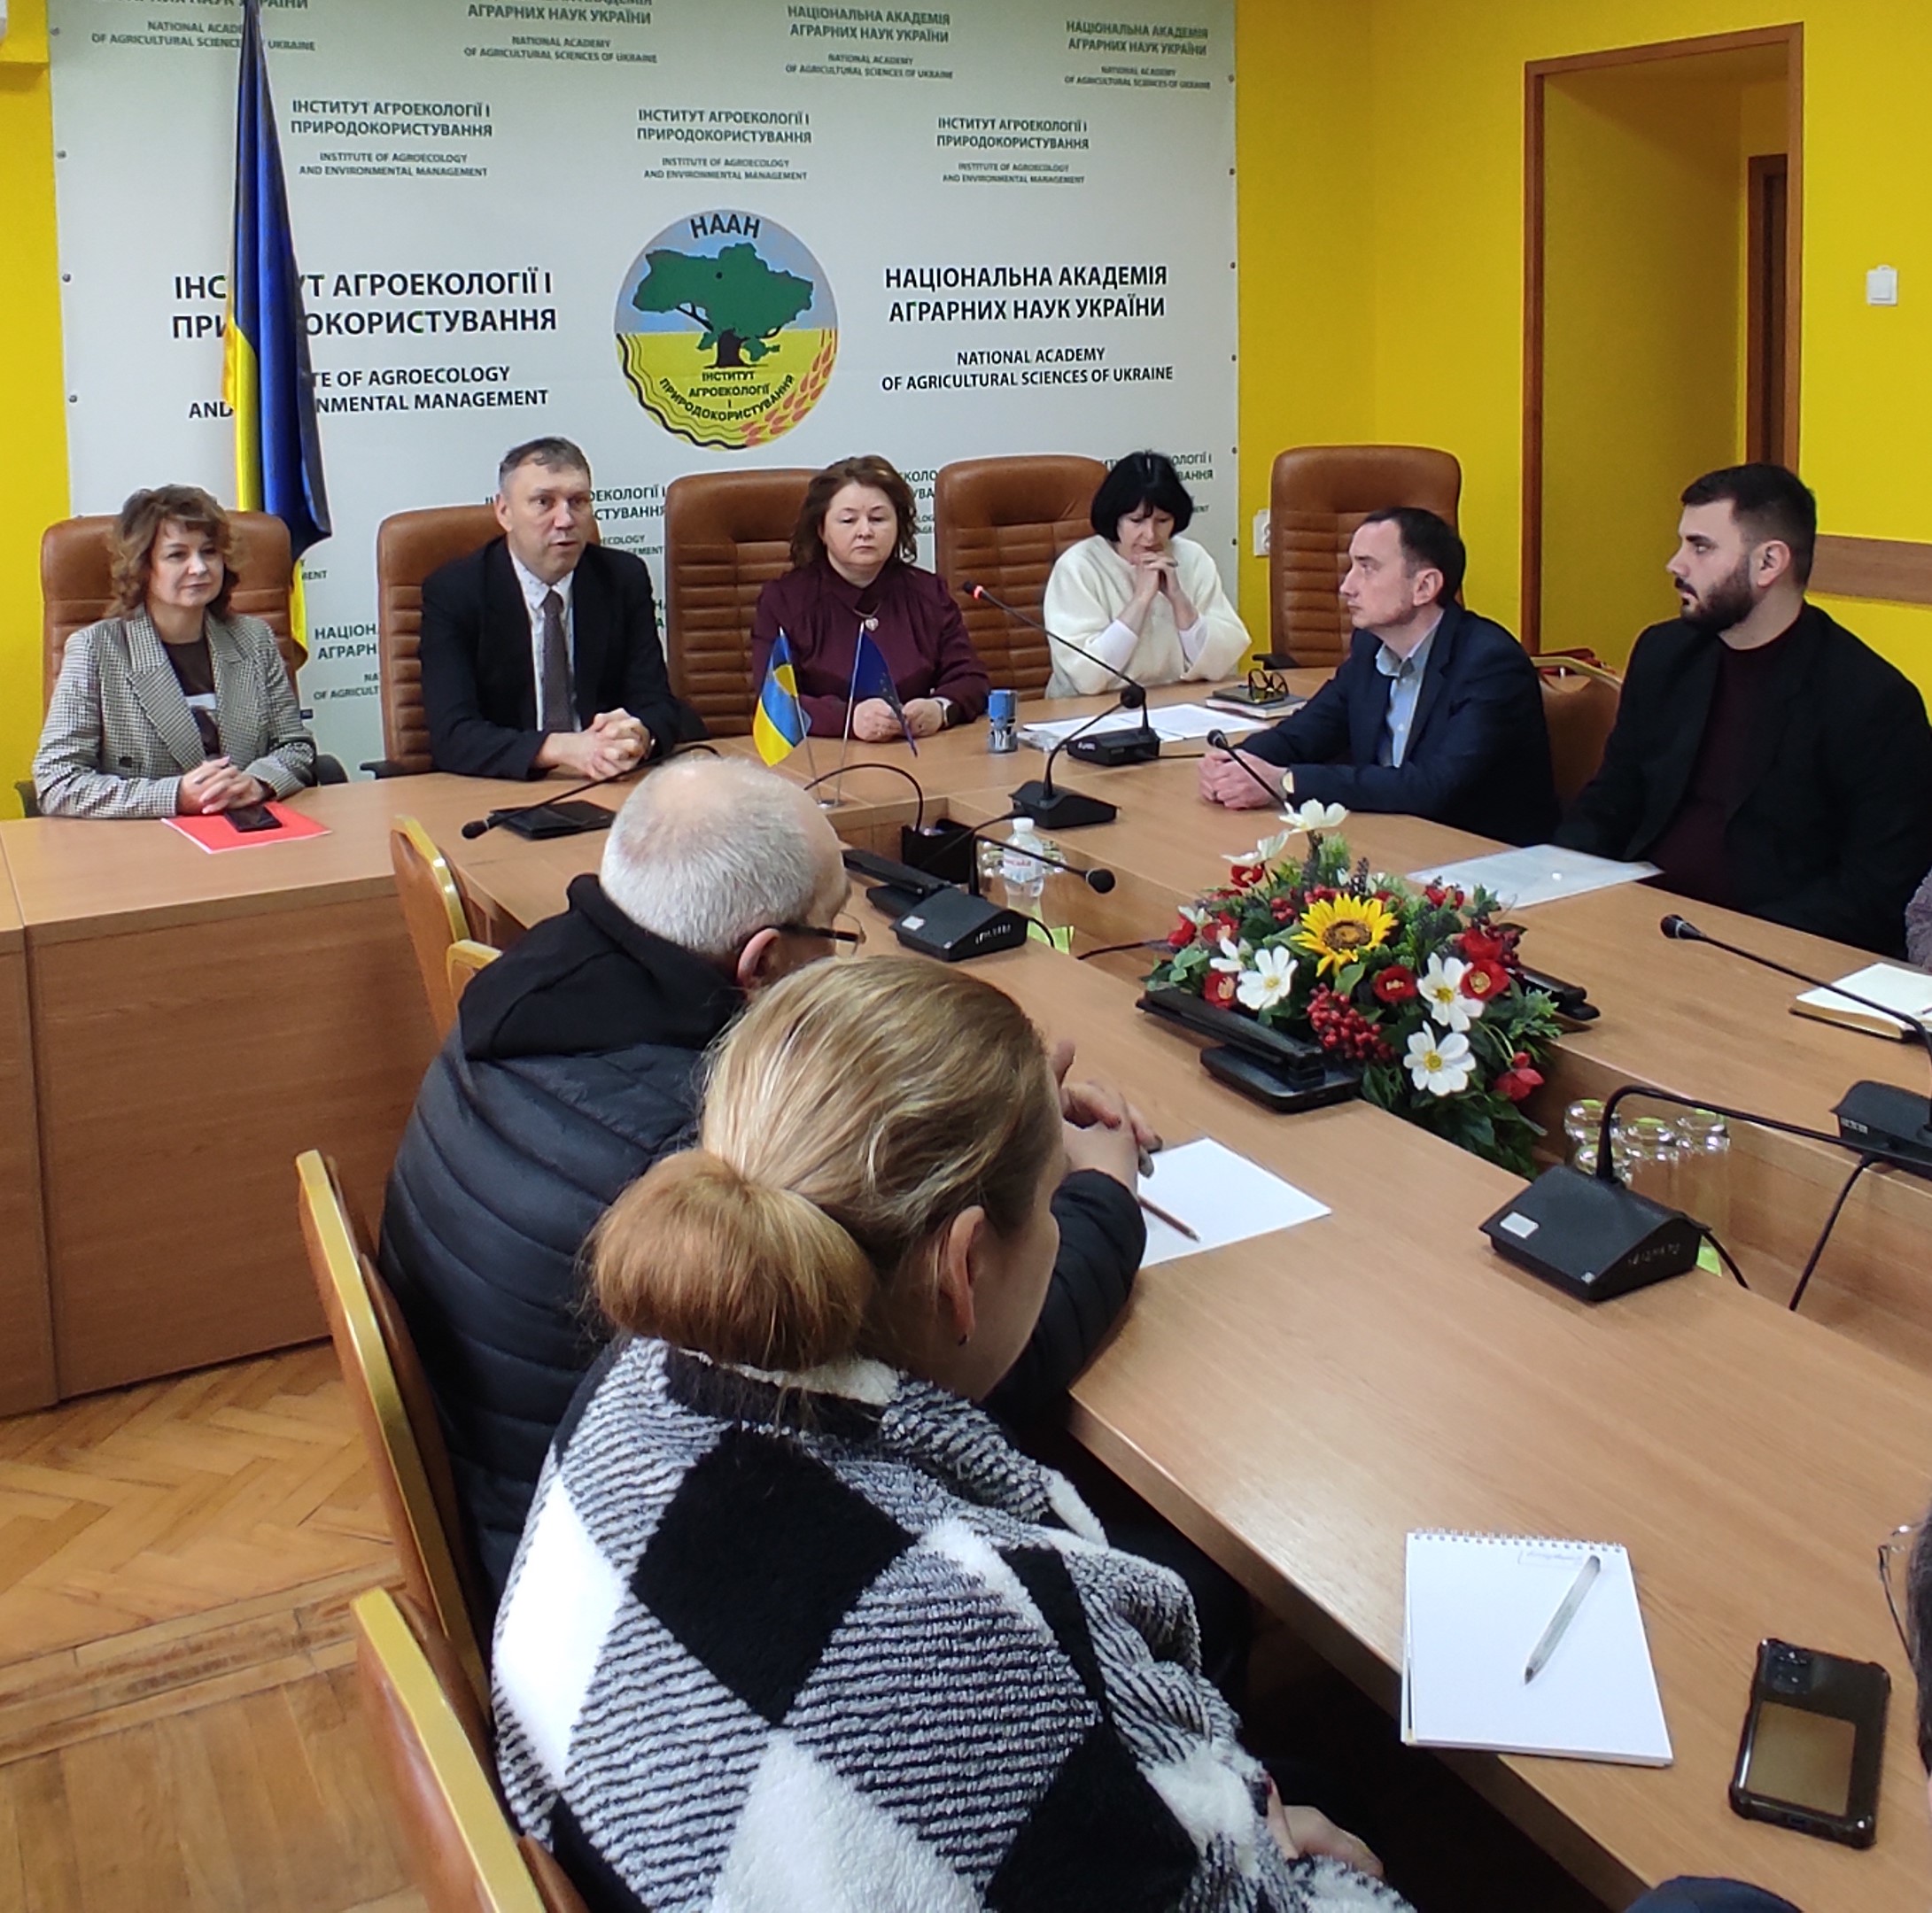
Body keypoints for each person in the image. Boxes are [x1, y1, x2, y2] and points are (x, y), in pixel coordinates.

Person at [493, 956, 1402, 1913]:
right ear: (963, 1269)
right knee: (1343, 1820)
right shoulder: (997, 1648)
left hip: (645, 1838)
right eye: (1050, 1205)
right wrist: (1267, 1852)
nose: (1057, 1228)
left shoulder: (636, 1372)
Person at [377, 755, 1146, 1608]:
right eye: (836, 930)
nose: (845, 953)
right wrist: (1097, 1195)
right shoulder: (702, 1160)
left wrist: (998, 1118)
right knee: (1170, 1559)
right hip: (631, 1577)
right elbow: (948, 1368)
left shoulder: (527, 994)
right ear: (765, 962)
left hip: (539, 1496)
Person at [1556, 464, 1932, 956]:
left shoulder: (1870, 699)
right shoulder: (1665, 654)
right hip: (1638, 916)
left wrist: (1730, 942)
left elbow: (1874, 891)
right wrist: (1552, 878)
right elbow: (1612, 797)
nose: (1675, 564)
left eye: (1700, 547)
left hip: (1771, 950)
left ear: (1769, 563)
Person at [1199, 508, 1557, 845]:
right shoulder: (1371, 647)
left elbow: (1433, 786)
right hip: (1392, 839)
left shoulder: (1490, 664)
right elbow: (1305, 733)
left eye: (1367, 568)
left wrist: (1285, 781)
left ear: (1424, 587)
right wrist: (1238, 762)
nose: (1346, 587)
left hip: (1479, 854)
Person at [418, 437, 699, 779]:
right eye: (544, 502)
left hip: (606, 781)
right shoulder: (456, 590)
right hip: (502, 785)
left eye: (578, 501)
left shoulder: (621, 578)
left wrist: (637, 736)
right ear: (504, 512)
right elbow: (453, 735)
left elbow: (657, 704)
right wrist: (565, 748)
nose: (565, 520)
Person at [33, 485, 315, 819]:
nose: (199, 568)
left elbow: (295, 746)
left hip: (249, 828)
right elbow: (57, 781)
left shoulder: (254, 639)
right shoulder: (95, 650)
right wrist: (174, 796)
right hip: (149, 839)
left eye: (209, 552)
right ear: (143, 567)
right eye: (177, 555)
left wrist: (258, 782)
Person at [749, 453, 989, 739]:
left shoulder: (928, 593)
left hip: (921, 751)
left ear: (898, 525)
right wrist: (849, 720)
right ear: (821, 530)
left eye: (877, 519)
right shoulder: (784, 601)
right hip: (822, 755)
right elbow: (774, 699)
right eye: (848, 520)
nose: (865, 531)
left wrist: (940, 708)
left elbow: (971, 678)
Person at [1044, 449, 1252, 695]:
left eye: (1162, 521)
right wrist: (1141, 600)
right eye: (1136, 521)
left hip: (1176, 700)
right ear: (1115, 518)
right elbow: (1087, 678)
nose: (1151, 535)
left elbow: (1219, 665)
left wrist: (1178, 599)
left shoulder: (1192, 558)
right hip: (1093, 707)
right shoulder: (1078, 566)